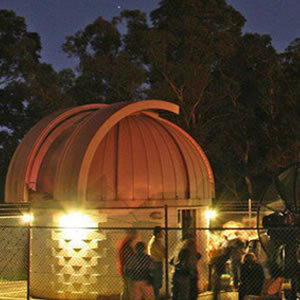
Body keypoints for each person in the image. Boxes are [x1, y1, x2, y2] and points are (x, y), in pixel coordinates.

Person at [117, 229, 138, 300]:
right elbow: (129, 257)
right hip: (127, 268)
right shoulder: (127, 244)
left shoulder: (124, 243)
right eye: (135, 234)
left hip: (124, 267)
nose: (136, 236)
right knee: (129, 287)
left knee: (126, 287)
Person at [147, 226, 165, 300]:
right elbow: (162, 253)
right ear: (158, 233)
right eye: (161, 232)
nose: (163, 234)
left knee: (156, 285)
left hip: (155, 263)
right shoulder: (156, 242)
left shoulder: (155, 241)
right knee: (156, 285)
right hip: (156, 264)